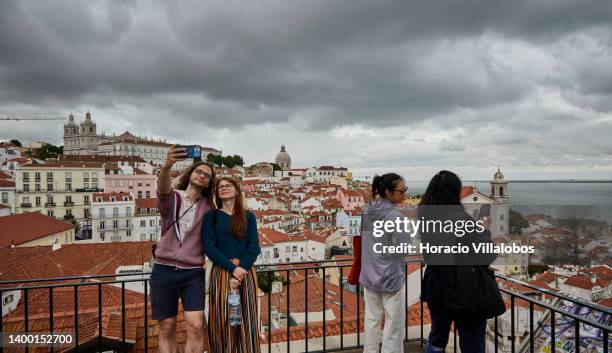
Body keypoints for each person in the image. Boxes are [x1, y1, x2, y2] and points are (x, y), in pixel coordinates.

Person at [418, 170, 496, 353]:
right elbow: (487, 253)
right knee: (472, 341)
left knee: (437, 337)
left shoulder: (426, 218)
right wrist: (484, 229)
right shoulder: (460, 219)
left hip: (435, 283)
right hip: (463, 286)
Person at [150, 145, 215, 353]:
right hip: (163, 269)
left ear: (209, 182)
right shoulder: (174, 198)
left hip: (193, 272)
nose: (202, 175)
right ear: (190, 173)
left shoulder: (208, 207)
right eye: (199, 171)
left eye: (207, 175)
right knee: (167, 328)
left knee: (196, 326)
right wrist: (168, 165)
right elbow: (162, 188)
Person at [202, 177, 261, 353]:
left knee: (247, 320)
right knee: (222, 321)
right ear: (217, 193)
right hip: (222, 273)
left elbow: (254, 247)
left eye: (228, 185)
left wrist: (240, 270)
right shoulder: (211, 217)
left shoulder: (248, 215)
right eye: (220, 187)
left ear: (236, 190)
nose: (224, 188)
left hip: (245, 273)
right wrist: (233, 269)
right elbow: (210, 248)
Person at [360, 173, 411, 353]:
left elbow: (364, 240)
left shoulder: (367, 210)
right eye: (401, 191)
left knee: (372, 320)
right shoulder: (394, 216)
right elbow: (404, 248)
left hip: (368, 273)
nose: (404, 194)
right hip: (389, 276)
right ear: (388, 192)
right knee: (393, 325)